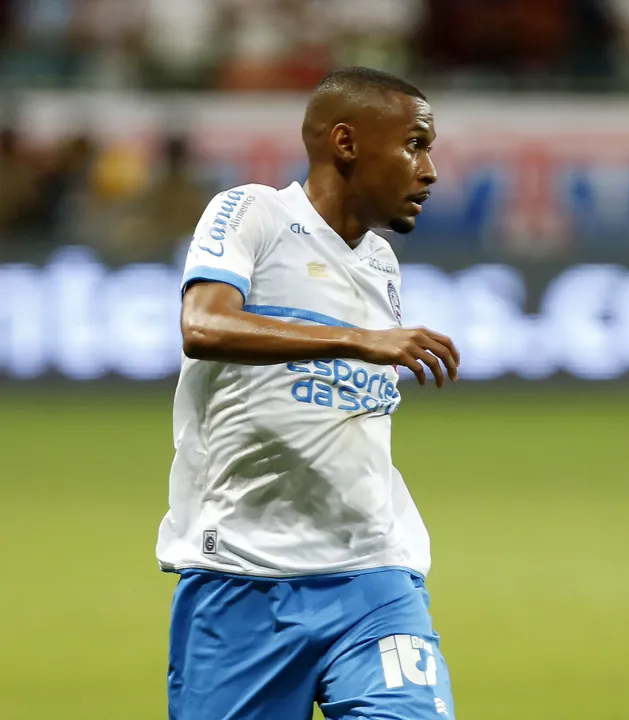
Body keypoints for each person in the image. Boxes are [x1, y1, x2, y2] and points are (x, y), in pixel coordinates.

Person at [157, 67, 460, 720]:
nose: (429, 170)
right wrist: (356, 340)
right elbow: (202, 324)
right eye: (415, 143)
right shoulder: (253, 214)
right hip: (242, 577)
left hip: (375, 574)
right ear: (346, 143)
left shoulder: (380, 263)